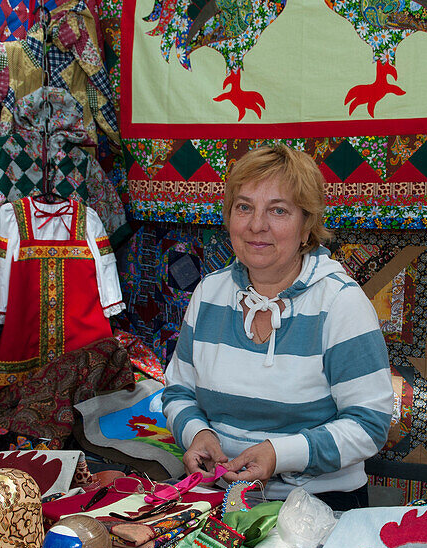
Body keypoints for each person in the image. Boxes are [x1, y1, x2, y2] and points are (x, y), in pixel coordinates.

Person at [162, 144, 393, 511]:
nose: (256, 225)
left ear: (307, 226)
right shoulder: (210, 294)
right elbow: (178, 391)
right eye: (244, 207)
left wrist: (279, 454)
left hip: (317, 503)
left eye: (278, 211)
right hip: (218, 495)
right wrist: (198, 433)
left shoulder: (340, 303)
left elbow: (370, 423)